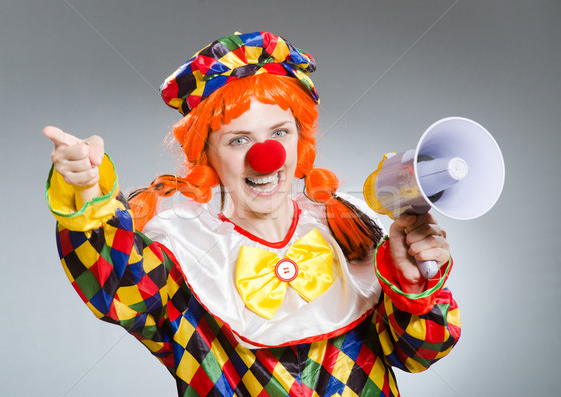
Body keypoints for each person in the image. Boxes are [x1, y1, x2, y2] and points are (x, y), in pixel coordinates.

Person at [44, 31, 460, 396]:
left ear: (301, 141)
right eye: (239, 139)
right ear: (205, 155)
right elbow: (115, 283)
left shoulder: (345, 231)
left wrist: (413, 284)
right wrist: (88, 194)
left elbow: (418, 354)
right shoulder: (180, 254)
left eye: (280, 133)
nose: (267, 157)